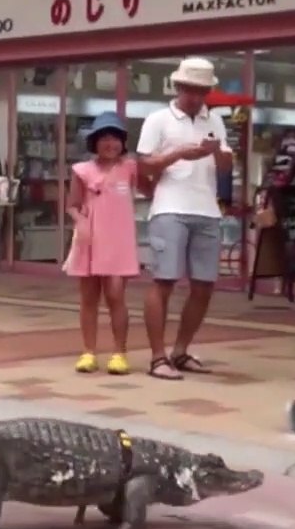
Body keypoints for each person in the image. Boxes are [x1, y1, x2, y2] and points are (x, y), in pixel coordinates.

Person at [135, 58, 233, 380]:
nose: (195, 97)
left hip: (206, 208)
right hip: (169, 207)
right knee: (164, 280)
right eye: (190, 90)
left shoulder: (215, 121)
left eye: (201, 91)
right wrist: (179, 153)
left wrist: (218, 153)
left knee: (204, 285)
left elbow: (224, 168)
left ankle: (180, 350)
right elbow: (145, 165)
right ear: (178, 87)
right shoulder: (158, 119)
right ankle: (156, 356)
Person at [64, 112, 142, 376]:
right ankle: (88, 352)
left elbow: (150, 185)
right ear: (94, 142)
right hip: (89, 240)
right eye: (104, 138)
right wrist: (81, 221)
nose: (111, 144)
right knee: (88, 298)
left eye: (115, 138)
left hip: (118, 242)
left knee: (116, 296)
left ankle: (120, 353)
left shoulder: (130, 167)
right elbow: (72, 206)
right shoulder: (81, 171)